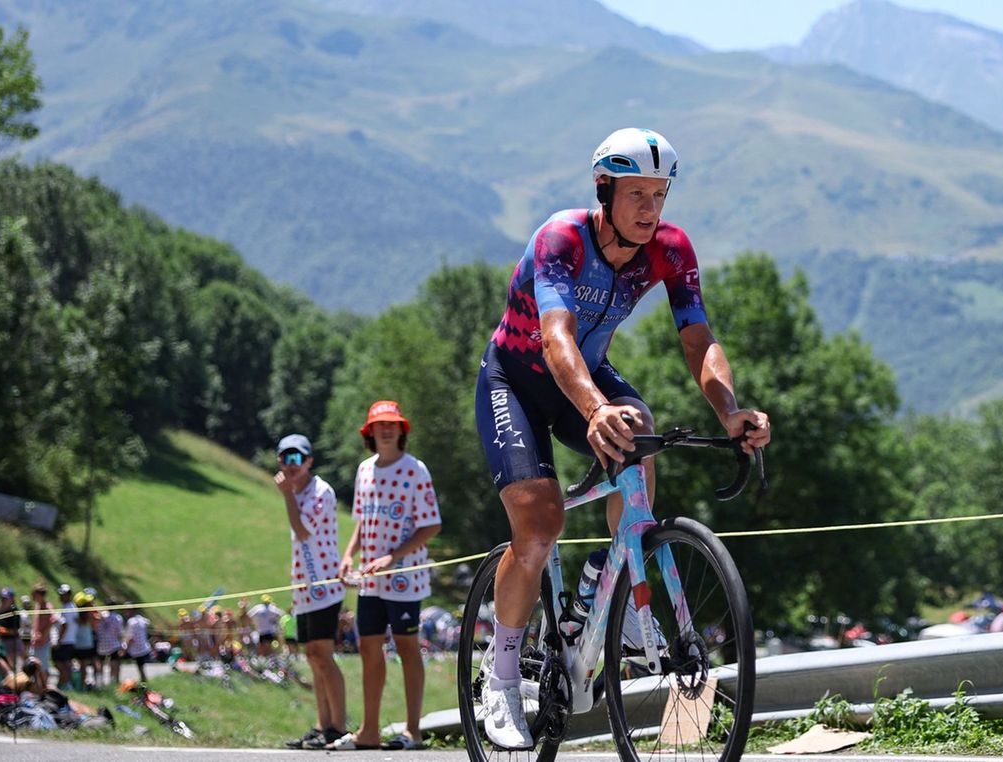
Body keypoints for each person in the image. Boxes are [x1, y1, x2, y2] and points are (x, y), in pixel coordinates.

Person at [472, 128, 771, 748]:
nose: (650, 210)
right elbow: (555, 339)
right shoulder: (561, 238)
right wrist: (592, 409)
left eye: (659, 195)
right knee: (540, 520)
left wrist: (729, 410)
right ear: (603, 190)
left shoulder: (670, 248)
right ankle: (498, 679)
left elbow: (698, 339)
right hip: (519, 380)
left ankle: (619, 600)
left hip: (587, 373)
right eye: (637, 194)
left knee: (642, 442)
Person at [328, 401, 442, 751]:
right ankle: (369, 731)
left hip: (405, 580)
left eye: (393, 424)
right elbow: (363, 522)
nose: (387, 430)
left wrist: (393, 557)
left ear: (402, 430)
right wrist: (348, 556)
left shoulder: (415, 470)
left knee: (408, 648)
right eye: (380, 425)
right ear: (370, 432)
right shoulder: (364, 470)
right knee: (368, 648)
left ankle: (413, 731)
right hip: (370, 581)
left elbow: (432, 525)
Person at [274, 433, 348, 750]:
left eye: (297, 458)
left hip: (325, 586)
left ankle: (338, 726)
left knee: (323, 654)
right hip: (304, 588)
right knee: (312, 655)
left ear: (308, 462)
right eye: (285, 458)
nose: (291, 464)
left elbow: (303, 531)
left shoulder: (321, 492)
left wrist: (287, 495)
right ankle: (322, 724)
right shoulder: (297, 490)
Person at [96, 600, 124, 685]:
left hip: (101, 643)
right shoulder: (117, 617)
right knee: (114, 664)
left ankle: (100, 682)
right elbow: (119, 633)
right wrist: (122, 644)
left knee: (100, 663)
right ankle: (113, 682)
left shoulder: (101, 615)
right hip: (114, 643)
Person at [123, 606, 151, 681]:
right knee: (141, 667)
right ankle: (144, 681)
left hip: (135, 650)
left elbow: (130, 638)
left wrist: (124, 649)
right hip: (144, 648)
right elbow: (147, 622)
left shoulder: (131, 622)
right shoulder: (141, 619)